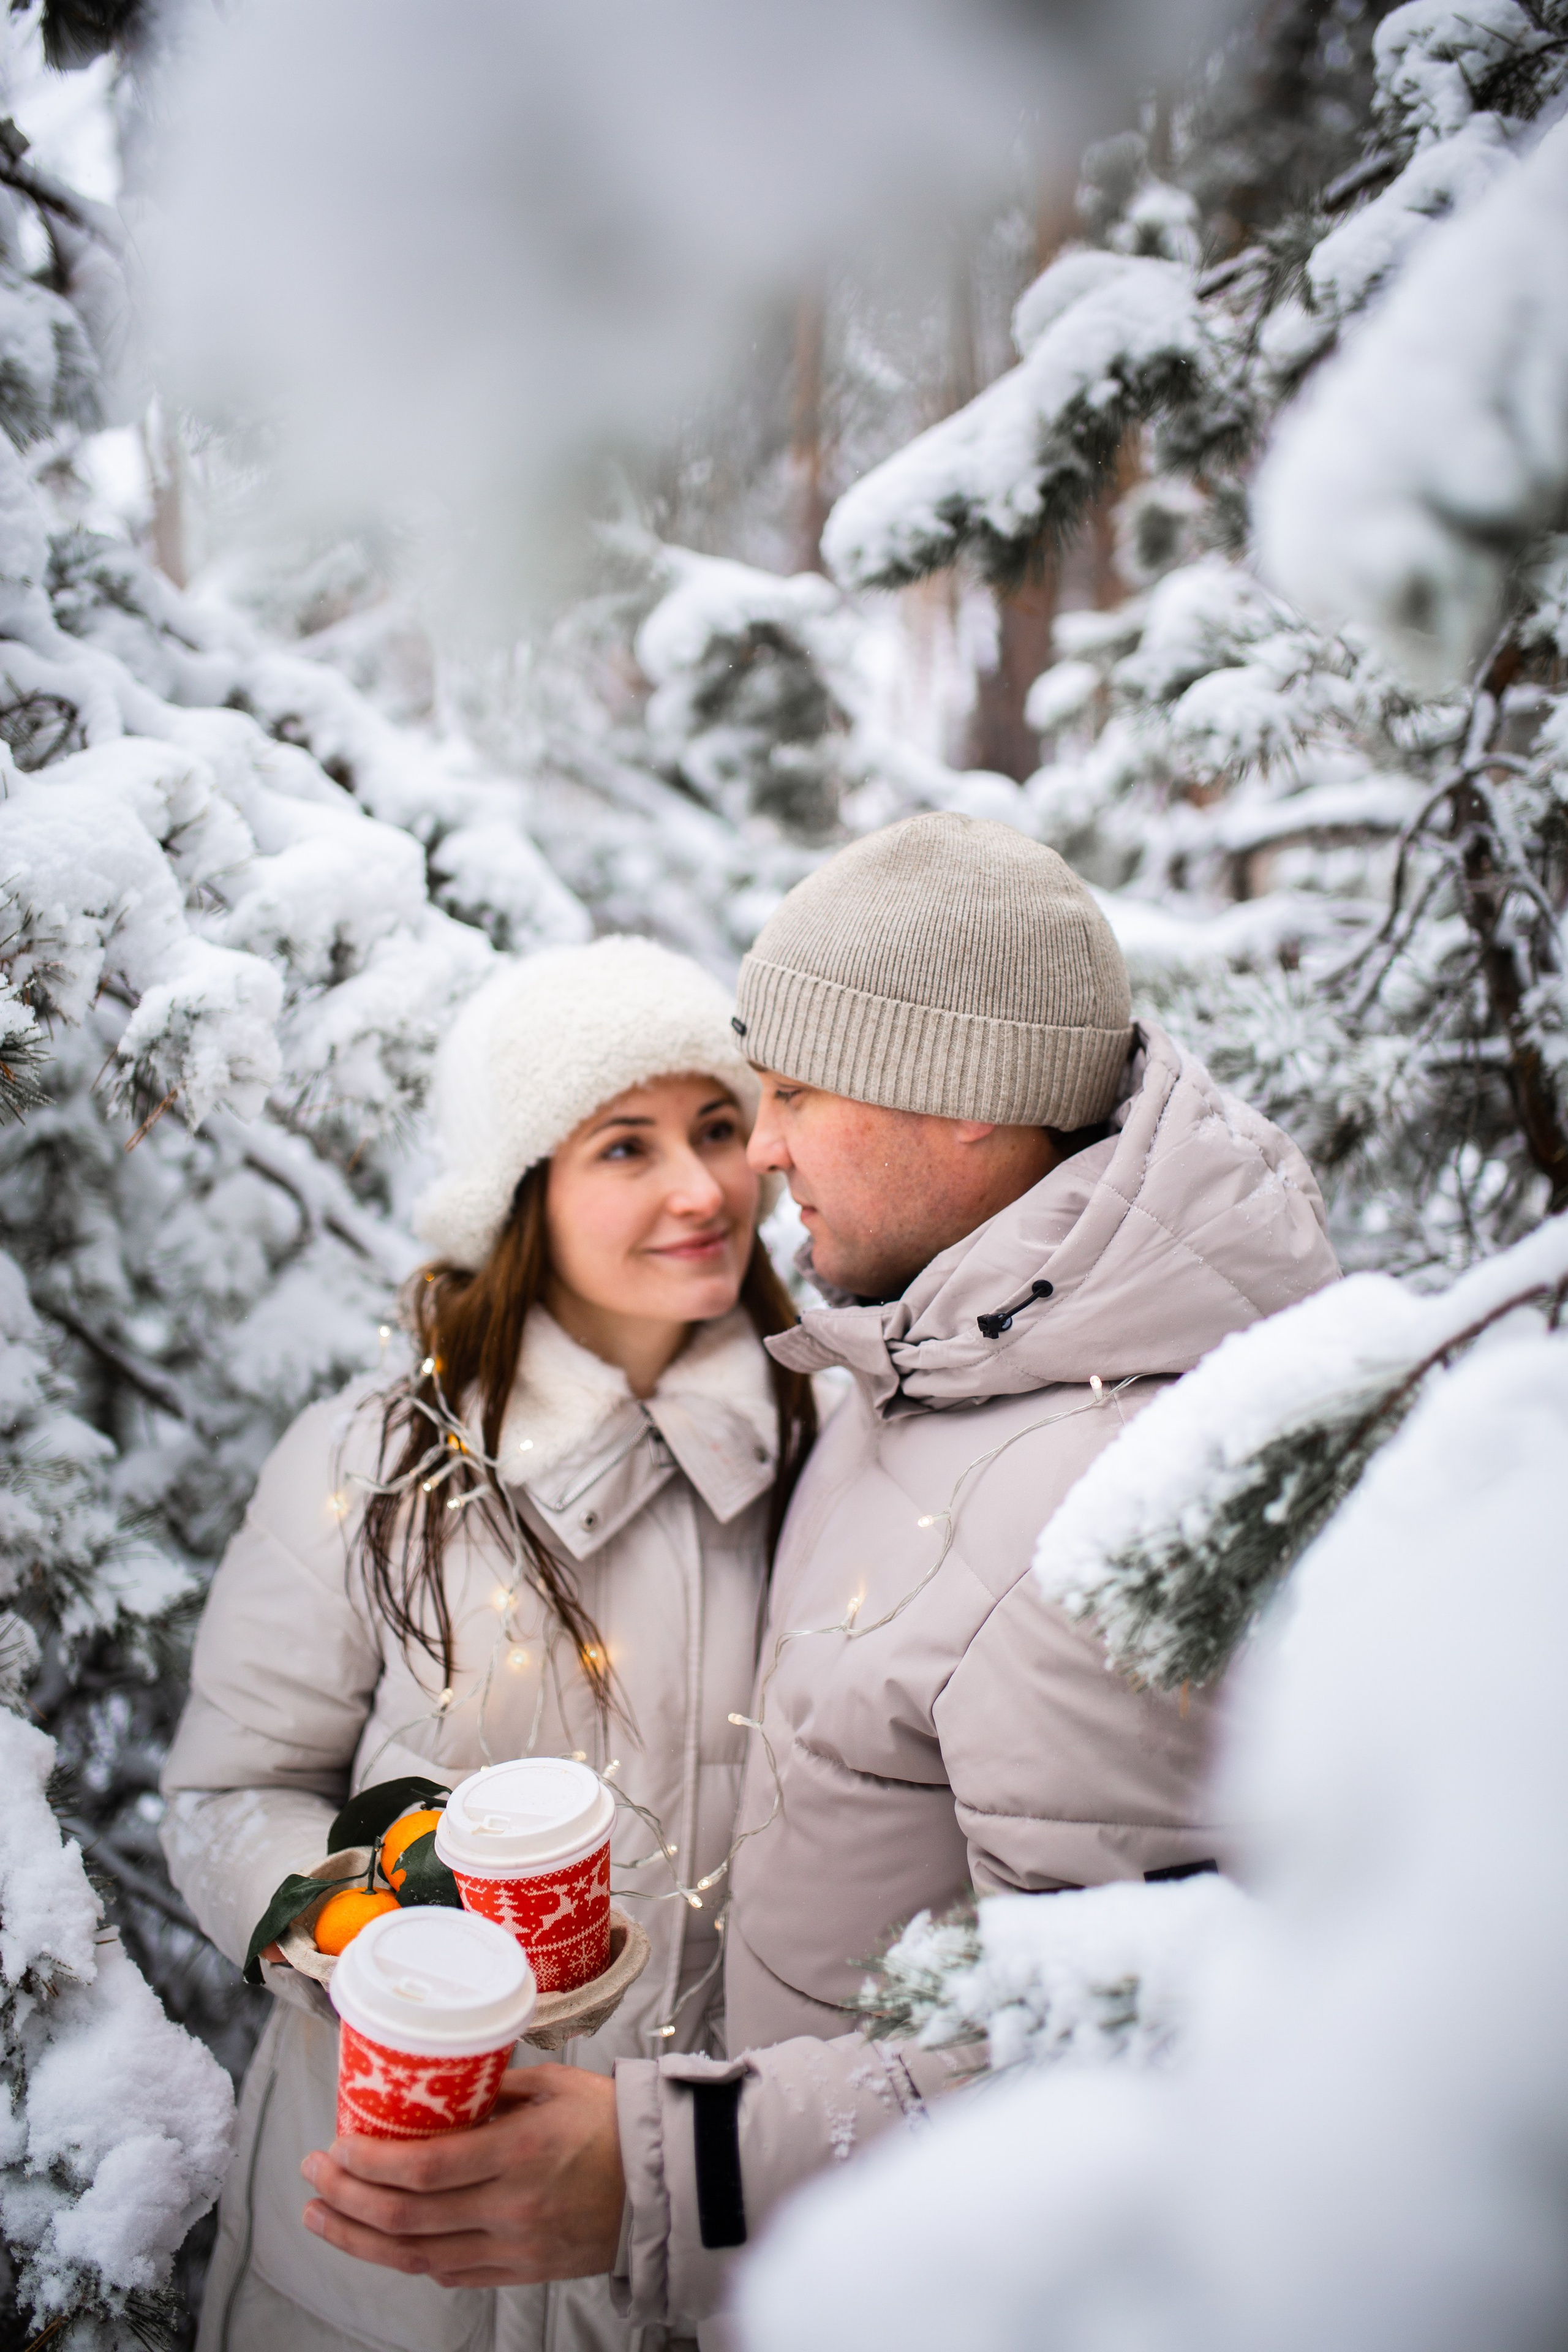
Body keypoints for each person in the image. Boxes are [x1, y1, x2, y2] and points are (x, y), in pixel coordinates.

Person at [296, 815, 1341, 2335]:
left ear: (966, 1107)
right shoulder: (934, 1353)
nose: (758, 1150)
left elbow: (1153, 2058)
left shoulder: (1101, 1498)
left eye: (788, 1096)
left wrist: (677, 2171)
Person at [160, 933, 815, 2352]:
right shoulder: (373, 1466)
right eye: (624, 1148)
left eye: (716, 1128)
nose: (700, 1189)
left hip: (680, 2242)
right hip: (387, 2254)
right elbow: (228, 1797)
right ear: (524, 1191)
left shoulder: (823, 1457)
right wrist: (372, 1947)